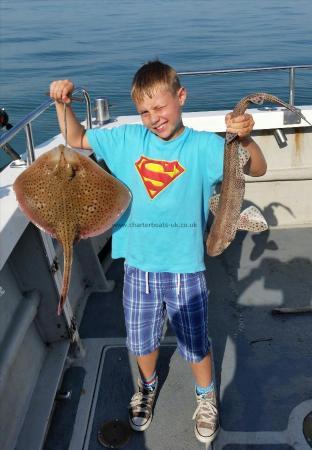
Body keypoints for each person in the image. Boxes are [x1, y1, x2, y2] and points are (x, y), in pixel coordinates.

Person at [49, 60, 267, 445]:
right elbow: (75, 138)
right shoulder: (128, 141)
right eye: (145, 111)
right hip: (138, 266)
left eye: (161, 107)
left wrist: (245, 140)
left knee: (196, 342)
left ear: (181, 97)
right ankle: (146, 387)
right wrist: (61, 103)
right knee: (141, 341)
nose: (154, 118)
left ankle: (205, 397)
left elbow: (258, 169)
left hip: (186, 267)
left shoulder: (203, 146)